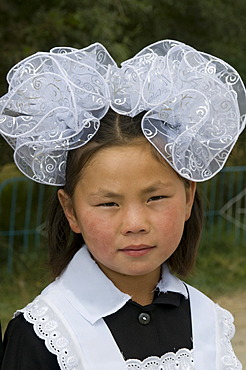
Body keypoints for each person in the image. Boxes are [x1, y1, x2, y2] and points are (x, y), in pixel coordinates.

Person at [0, 40, 245, 370]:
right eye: (108, 203)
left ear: (188, 196)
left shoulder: (209, 321)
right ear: (70, 210)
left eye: (155, 198)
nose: (135, 223)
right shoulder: (44, 334)